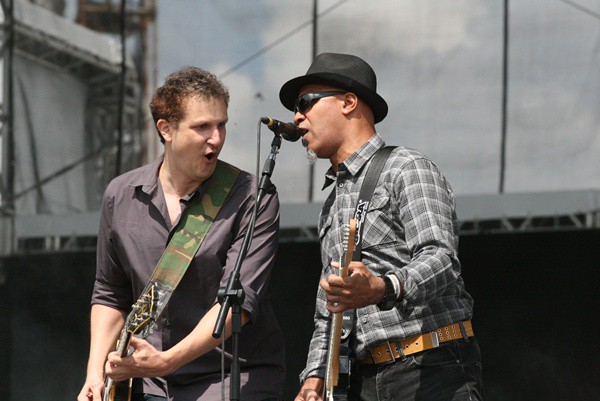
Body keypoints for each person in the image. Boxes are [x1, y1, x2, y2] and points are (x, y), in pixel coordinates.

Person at [278, 53, 483, 401]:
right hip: (365, 381)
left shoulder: (406, 167)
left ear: (348, 102)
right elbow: (329, 306)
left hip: (431, 369)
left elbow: (442, 258)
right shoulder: (330, 205)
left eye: (306, 102)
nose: (297, 116)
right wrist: (314, 377)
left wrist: (383, 287)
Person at [77, 66, 285, 401]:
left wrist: (165, 362)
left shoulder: (253, 195)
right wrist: (94, 374)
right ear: (166, 129)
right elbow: (110, 293)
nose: (215, 138)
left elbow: (238, 304)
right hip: (151, 384)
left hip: (231, 379)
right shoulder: (121, 194)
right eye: (202, 127)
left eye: (221, 125)